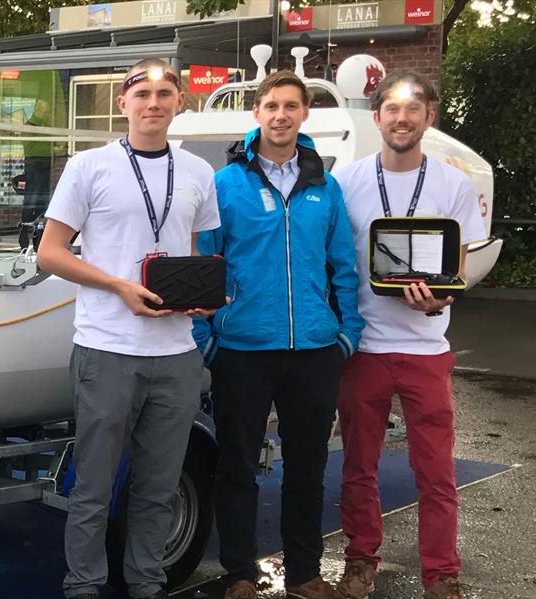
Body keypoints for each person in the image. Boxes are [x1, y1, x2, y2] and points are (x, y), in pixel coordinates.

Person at [37, 58, 220, 599]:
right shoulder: (89, 166)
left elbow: (192, 253)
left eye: (166, 93)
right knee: (93, 487)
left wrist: (200, 298)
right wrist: (119, 287)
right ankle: (84, 586)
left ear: (180, 102)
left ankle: (146, 582)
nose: (154, 102)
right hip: (107, 348)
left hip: (176, 354)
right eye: (142, 93)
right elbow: (49, 253)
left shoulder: (198, 173)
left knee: (159, 487)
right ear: (123, 103)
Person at [193, 70, 364, 599]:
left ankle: (305, 573)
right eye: (271, 106)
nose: (281, 115)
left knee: (308, 468)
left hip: (314, 350)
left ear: (304, 114)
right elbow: (204, 264)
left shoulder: (325, 186)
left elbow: (344, 268)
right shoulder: (226, 184)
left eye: (291, 106)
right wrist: (208, 338)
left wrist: (346, 335)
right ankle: (240, 573)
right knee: (237, 466)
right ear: (257, 113)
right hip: (241, 349)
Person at [333, 72, 487, 599]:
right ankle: (360, 561)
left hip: (426, 348)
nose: (402, 118)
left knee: (437, 472)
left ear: (430, 117)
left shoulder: (453, 184)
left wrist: (444, 298)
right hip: (366, 349)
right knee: (359, 466)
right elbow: (334, 264)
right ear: (377, 117)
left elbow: (459, 267)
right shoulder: (347, 182)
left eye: (413, 109)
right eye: (392, 109)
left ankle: (441, 573)